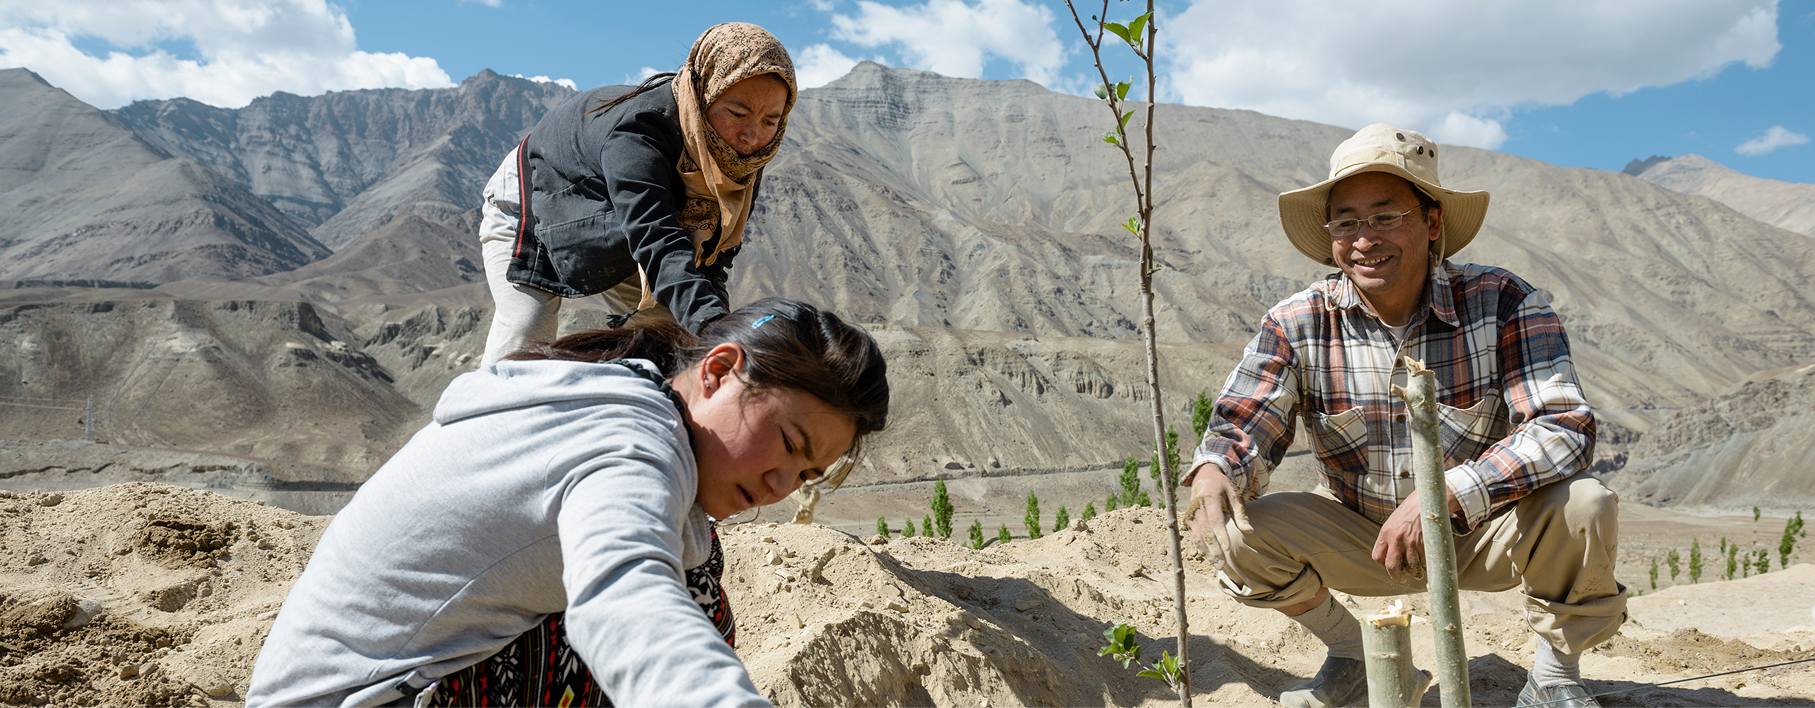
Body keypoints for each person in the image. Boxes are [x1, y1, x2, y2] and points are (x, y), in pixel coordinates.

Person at [246, 298, 889, 706]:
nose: (779, 489)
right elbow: (623, 596)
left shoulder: (610, 397)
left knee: (696, 568)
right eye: (787, 443)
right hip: (357, 697)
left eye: (806, 476)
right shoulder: (628, 444)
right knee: (688, 590)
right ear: (719, 370)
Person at [1184, 124, 1621, 708]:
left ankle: (1554, 677)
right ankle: (1355, 656)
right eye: (1346, 222)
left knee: (1585, 503)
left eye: (1385, 217)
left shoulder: (1504, 301)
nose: (1365, 240)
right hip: (1365, 537)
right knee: (1234, 523)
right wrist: (1218, 467)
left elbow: (1564, 427)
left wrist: (1451, 492)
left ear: (1432, 222)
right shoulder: (1298, 321)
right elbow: (1247, 417)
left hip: (1483, 529)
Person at [478, 22, 796, 366]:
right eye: (738, 113)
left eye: (771, 120)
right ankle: (482, 415)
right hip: (536, 197)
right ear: (704, 92)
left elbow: (710, 258)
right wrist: (715, 328)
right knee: (525, 336)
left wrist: (717, 327)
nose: (752, 135)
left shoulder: (740, 157)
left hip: (620, 223)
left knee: (672, 340)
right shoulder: (638, 133)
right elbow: (656, 237)